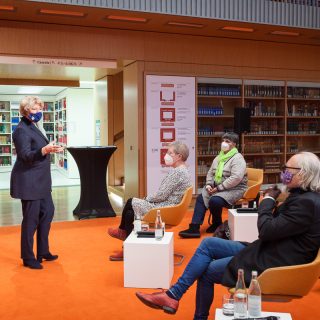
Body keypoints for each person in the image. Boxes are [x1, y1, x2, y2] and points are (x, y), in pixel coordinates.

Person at [136, 152, 320, 320]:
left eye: (287, 170)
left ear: (303, 174)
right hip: (271, 250)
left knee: (207, 271)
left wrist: (267, 202)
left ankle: (186, 308)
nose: (284, 173)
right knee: (208, 244)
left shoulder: (306, 203)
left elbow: (266, 230)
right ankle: (173, 296)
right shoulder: (304, 197)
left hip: (275, 262)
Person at [107, 141, 192, 261]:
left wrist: (146, 198)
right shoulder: (183, 170)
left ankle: (123, 235)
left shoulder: (178, 172)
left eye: (170, 153)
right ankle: (126, 244)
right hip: (169, 205)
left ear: (179, 156)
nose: (166, 155)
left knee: (131, 201)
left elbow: (161, 195)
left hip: (165, 207)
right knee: (131, 212)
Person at [10, 96, 63, 270]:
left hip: (41, 181)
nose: (38, 112)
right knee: (31, 220)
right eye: (34, 109)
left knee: (48, 213)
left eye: (39, 109)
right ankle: (28, 257)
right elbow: (25, 155)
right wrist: (43, 150)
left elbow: (40, 149)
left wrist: (50, 149)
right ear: (25, 110)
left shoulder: (34, 126)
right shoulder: (21, 130)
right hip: (29, 182)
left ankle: (43, 251)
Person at [179, 132, 247, 238]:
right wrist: (209, 185)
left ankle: (217, 223)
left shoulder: (238, 158)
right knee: (201, 197)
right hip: (218, 188)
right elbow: (211, 172)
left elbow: (236, 178)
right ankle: (194, 227)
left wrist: (219, 188)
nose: (224, 143)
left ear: (233, 144)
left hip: (235, 189)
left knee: (215, 200)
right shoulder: (219, 157)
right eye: (223, 140)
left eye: (227, 141)